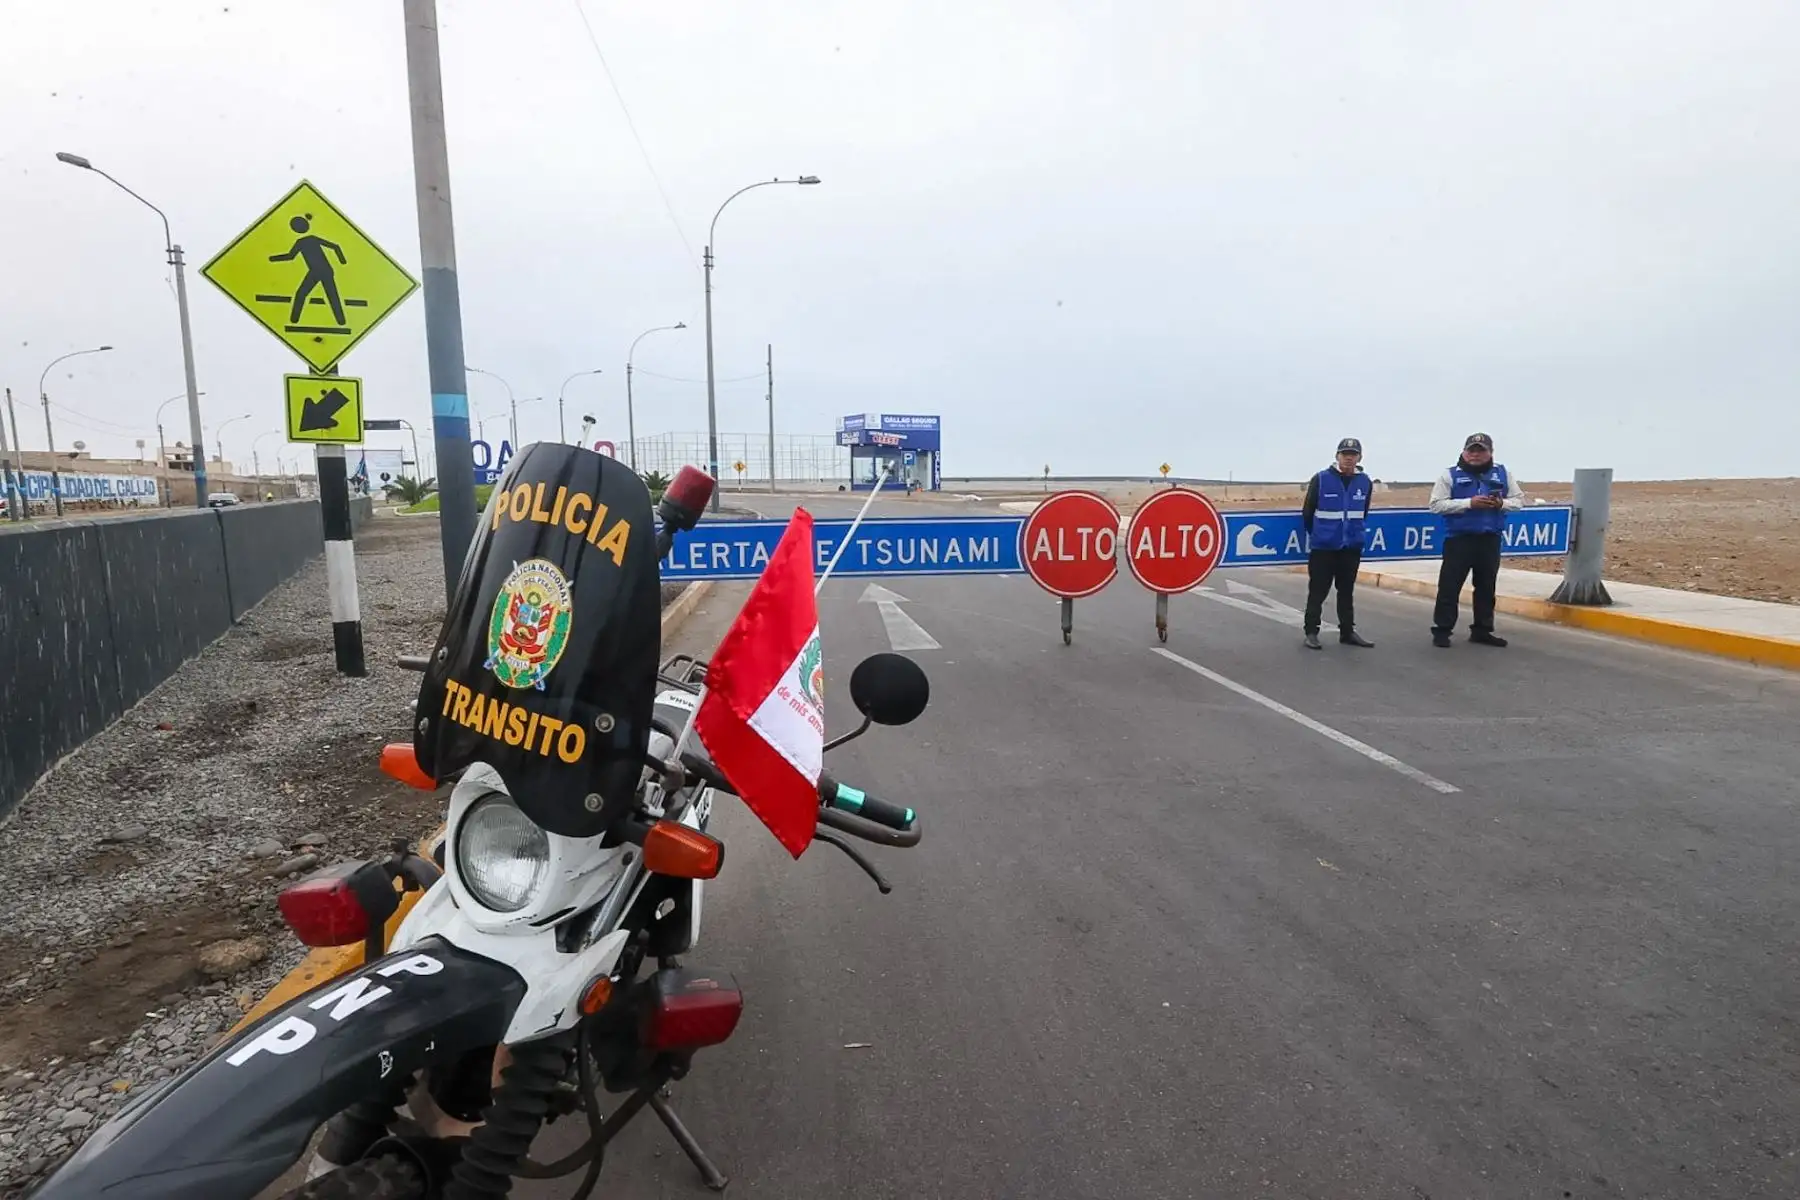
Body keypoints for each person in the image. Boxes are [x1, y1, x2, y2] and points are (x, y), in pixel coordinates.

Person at [1429, 432, 1524, 647]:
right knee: (1449, 587)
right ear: (1464, 452)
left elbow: (1518, 501)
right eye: (1471, 450)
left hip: (1490, 539)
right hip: (1459, 540)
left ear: (1490, 452)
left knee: (1486, 587)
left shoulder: (1503, 473)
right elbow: (1436, 505)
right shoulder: (1449, 475)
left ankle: (1482, 630)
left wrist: (1501, 504)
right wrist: (1468, 503)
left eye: (1481, 450)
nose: (1475, 454)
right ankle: (1442, 631)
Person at [1300, 437, 1375, 650]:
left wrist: (1354, 535)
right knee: (1318, 592)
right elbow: (1308, 512)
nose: (1348, 458)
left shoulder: (1365, 482)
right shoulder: (1321, 479)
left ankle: (1347, 632)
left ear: (1359, 457)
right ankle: (1311, 632)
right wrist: (1320, 535)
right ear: (1337, 456)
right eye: (1345, 454)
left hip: (1351, 547)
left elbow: (1363, 512)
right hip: (1324, 547)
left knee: (1346, 592)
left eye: (1353, 454)